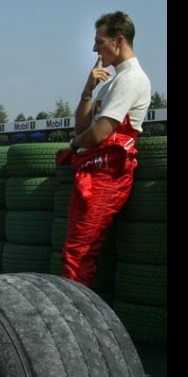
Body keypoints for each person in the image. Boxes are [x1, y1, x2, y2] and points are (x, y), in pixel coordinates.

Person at [58, 11, 151, 287]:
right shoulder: (111, 81)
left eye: (99, 42)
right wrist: (87, 91)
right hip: (92, 172)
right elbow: (82, 126)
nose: (94, 49)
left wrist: (75, 145)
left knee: (80, 254)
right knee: (76, 251)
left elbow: (98, 133)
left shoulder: (131, 79)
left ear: (118, 41)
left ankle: (74, 319)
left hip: (107, 176)